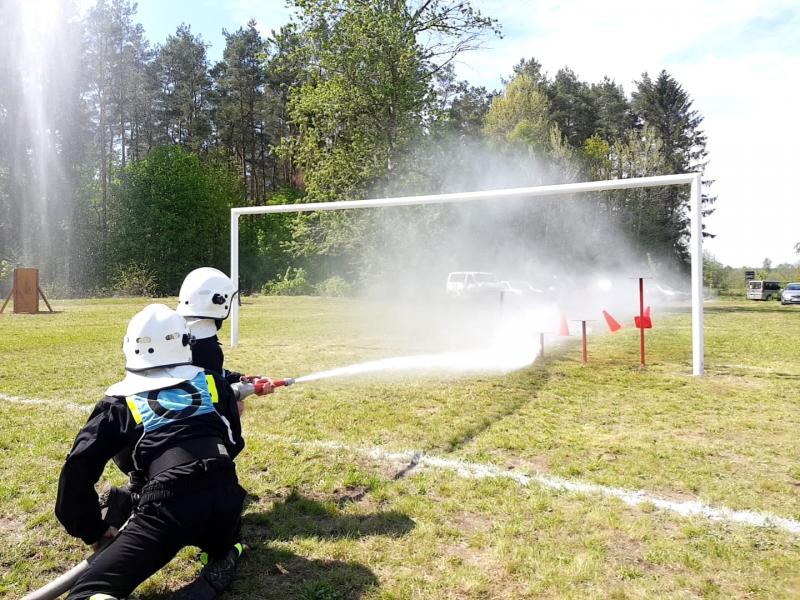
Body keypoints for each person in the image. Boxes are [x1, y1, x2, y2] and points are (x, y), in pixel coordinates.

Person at [55, 304, 247, 600]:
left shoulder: (119, 402)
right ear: (186, 343)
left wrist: (92, 529)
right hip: (227, 497)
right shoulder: (212, 382)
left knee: (90, 591)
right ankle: (223, 555)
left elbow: (78, 468)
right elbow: (233, 444)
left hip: (168, 509)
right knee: (222, 541)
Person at [177, 267, 274, 399]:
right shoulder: (206, 346)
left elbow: (212, 373)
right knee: (238, 406)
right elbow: (215, 395)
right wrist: (244, 390)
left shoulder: (177, 331)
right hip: (195, 413)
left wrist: (241, 378)